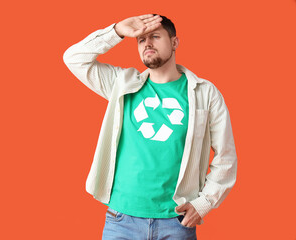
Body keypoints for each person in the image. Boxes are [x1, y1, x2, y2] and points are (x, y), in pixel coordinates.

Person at [63, 14, 237, 240]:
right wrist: (117, 31)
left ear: (175, 42)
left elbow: (226, 156)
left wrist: (204, 203)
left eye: (155, 36)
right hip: (121, 221)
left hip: (176, 222)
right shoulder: (122, 84)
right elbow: (74, 58)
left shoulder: (205, 92)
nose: (147, 44)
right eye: (141, 39)